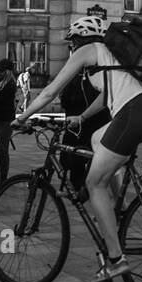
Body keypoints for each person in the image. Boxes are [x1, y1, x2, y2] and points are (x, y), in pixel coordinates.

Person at [16, 11, 142, 282]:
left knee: (94, 183)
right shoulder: (119, 57)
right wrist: (83, 117)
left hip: (134, 113)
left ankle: (115, 259)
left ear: (78, 39)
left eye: (71, 42)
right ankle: (123, 204)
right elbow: (107, 96)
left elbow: (50, 91)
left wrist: (22, 116)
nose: (71, 47)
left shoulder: (90, 50)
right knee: (98, 138)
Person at [51, 23, 112, 199]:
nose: (72, 48)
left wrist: (24, 116)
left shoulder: (98, 68)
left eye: (75, 43)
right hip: (79, 122)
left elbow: (104, 97)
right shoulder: (85, 68)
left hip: (92, 122)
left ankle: (92, 194)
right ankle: (82, 190)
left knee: (92, 162)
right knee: (73, 158)